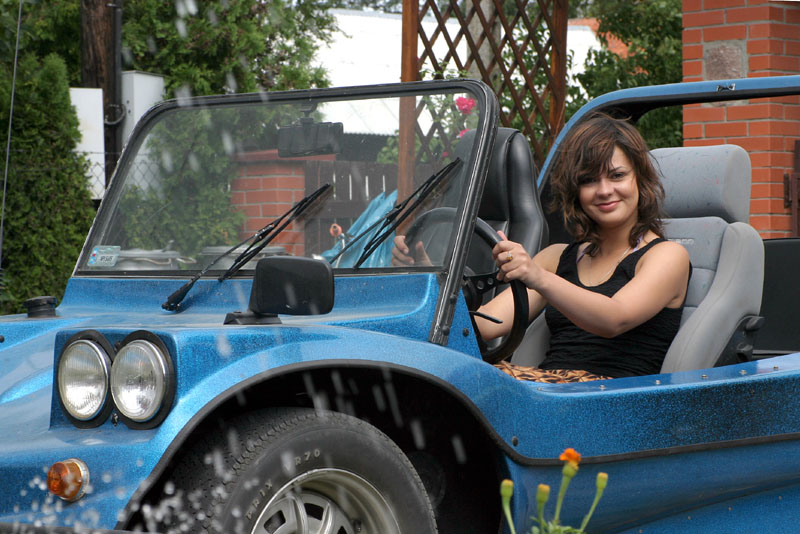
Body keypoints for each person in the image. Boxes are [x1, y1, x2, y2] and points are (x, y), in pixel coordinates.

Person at [394, 112, 691, 383]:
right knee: (437, 375)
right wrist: (425, 278)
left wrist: (538, 277)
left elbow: (615, 318)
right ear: (576, 191)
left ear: (640, 178)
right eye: (589, 180)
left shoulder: (667, 255)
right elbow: (483, 326)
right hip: (546, 396)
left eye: (617, 176)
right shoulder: (556, 258)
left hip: (614, 401)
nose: (604, 190)